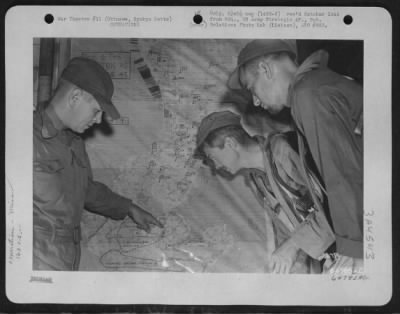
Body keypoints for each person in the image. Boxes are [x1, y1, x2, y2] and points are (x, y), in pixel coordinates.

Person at [227, 39, 363, 273]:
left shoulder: (308, 94)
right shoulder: (316, 85)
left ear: (266, 69)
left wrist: (356, 250)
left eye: (252, 89)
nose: (256, 102)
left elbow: (343, 174)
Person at [33, 57, 163, 270]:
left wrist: (129, 207)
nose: (98, 120)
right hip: (35, 264)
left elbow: (84, 189)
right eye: (96, 110)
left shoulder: (74, 143)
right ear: (75, 97)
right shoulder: (23, 138)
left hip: (65, 259)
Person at [194, 111, 335, 274]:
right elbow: (288, 230)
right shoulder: (257, 178)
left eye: (212, 157)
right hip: (327, 259)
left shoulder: (285, 150)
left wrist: (293, 246)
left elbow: (335, 206)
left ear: (230, 143)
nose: (216, 166)